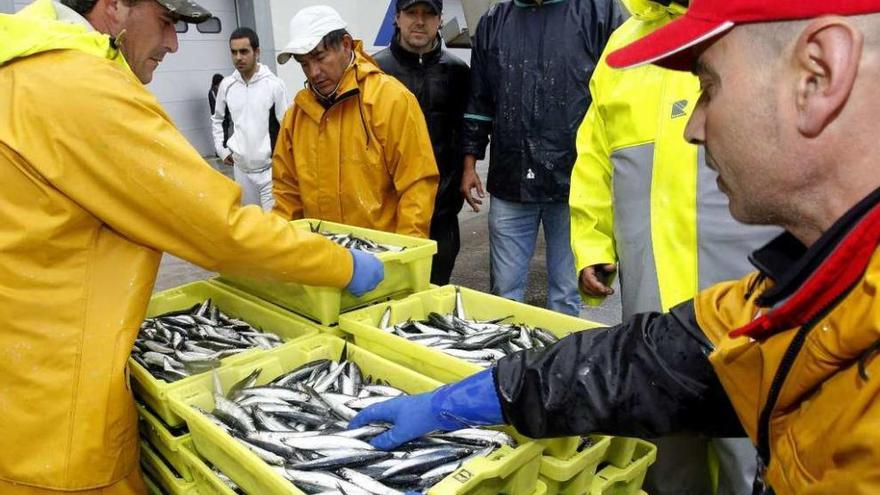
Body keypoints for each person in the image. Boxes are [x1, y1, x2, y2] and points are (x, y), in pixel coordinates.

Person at [351, 1, 880, 493]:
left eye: (709, 86)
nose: (693, 126)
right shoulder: (802, 291)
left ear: (819, 74)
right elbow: (654, 362)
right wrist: (480, 396)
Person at [0, 0, 384, 493]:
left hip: (20, 393)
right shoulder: (79, 87)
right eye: (166, 21)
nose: (174, 43)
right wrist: (340, 262)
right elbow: (220, 229)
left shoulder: (18, 70)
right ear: (115, 5)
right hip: (59, 433)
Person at [569, 1, 781, 493]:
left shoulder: (756, 22)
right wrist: (591, 242)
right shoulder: (623, 48)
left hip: (743, 292)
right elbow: (595, 152)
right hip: (654, 297)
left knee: (749, 442)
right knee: (665, 441)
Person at [460, 0, 624, 316]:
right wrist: (470, 162)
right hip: (511, 180)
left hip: (576, 185)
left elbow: (622, 95)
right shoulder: (494, 20)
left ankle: (560, 362)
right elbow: (478, 99)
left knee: (566, 296)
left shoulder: (597, 11)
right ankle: (508, 363)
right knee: (504, 296)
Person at [272, 5, 439, 239]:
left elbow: (417, 185)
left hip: (381, 259)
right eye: (304, 63)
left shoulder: (391, 100)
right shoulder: (296, 117)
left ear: (347, 44)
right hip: (320, 260)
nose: (313, 72)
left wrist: (405, 256)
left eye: (320, 57)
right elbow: (286, 196)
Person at [373, 0, 469, 285]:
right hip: (388, 215)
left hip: (441, 213)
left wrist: (468, 170)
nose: (419, 21)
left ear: (440, 20)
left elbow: (469, 131)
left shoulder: (458, 71)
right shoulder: (375, 70)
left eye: (428, 14)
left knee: (434, 294)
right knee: (387, 295)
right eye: (412, 13)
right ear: (397, 17)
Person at [212, 27, 288, 211]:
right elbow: (218, 119)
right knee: (252, 226)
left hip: (269, 172)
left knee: (273, 227)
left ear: (257, 52)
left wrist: (283, 163)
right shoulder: (227, 86)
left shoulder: (274, 85)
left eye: (244, 51)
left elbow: (286, 125)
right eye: (234, 52)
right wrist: (222, 151)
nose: (238, 57)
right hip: (242, 172)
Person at [208, 72, 231, 150]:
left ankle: (224, 149)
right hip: (220, 117)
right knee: (221, 134)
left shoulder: (220, 90)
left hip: (225, 116)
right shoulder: (213, 92)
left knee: (226, 134)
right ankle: (221, 151)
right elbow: (217, 105)